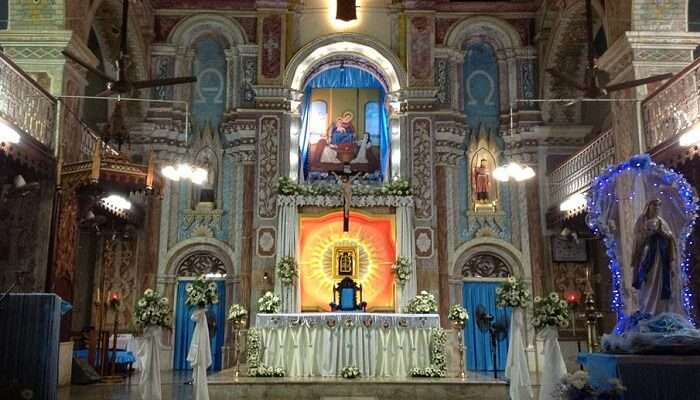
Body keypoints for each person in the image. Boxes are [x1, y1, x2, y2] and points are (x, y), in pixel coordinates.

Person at [630, 199, 679, 315]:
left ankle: (659, 310)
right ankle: (647, 309)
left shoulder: (662, 222)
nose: (656, 207)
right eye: (654, 205)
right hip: (647, 255)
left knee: (661, 281)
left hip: (661, 257)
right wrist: (649, 234)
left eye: (658, 205)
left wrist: (662, 233)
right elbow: (638, 238)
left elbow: (670, 237)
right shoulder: (642, 221)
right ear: (649, 206)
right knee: (648, 280)